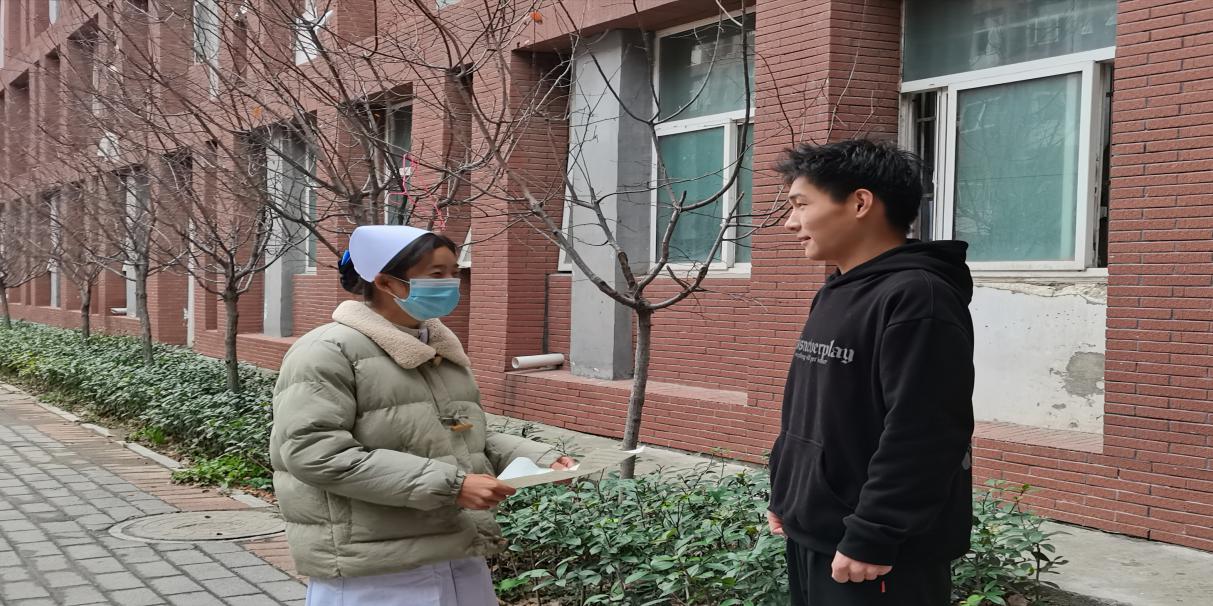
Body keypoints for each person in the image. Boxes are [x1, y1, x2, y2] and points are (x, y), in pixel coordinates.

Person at [270, 225, 574, 605]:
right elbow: (313, 452)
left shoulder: (437, 348)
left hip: (453, 549)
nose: (451, 284)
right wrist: (453, 485)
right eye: (436, 274)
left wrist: (538, 458)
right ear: (386, 282)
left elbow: (462, 431)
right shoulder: (327, 351)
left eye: (454, 272)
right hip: (374, 561)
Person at [766, 139, 975, 605]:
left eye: (801, 205)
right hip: (817, 532)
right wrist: (787, 493)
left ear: (860, 203)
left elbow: (927, 430)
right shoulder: (836, 290)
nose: (791, 223)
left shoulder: (918, 297)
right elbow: (811, 410)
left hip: (876, 555)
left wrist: (874, 532)